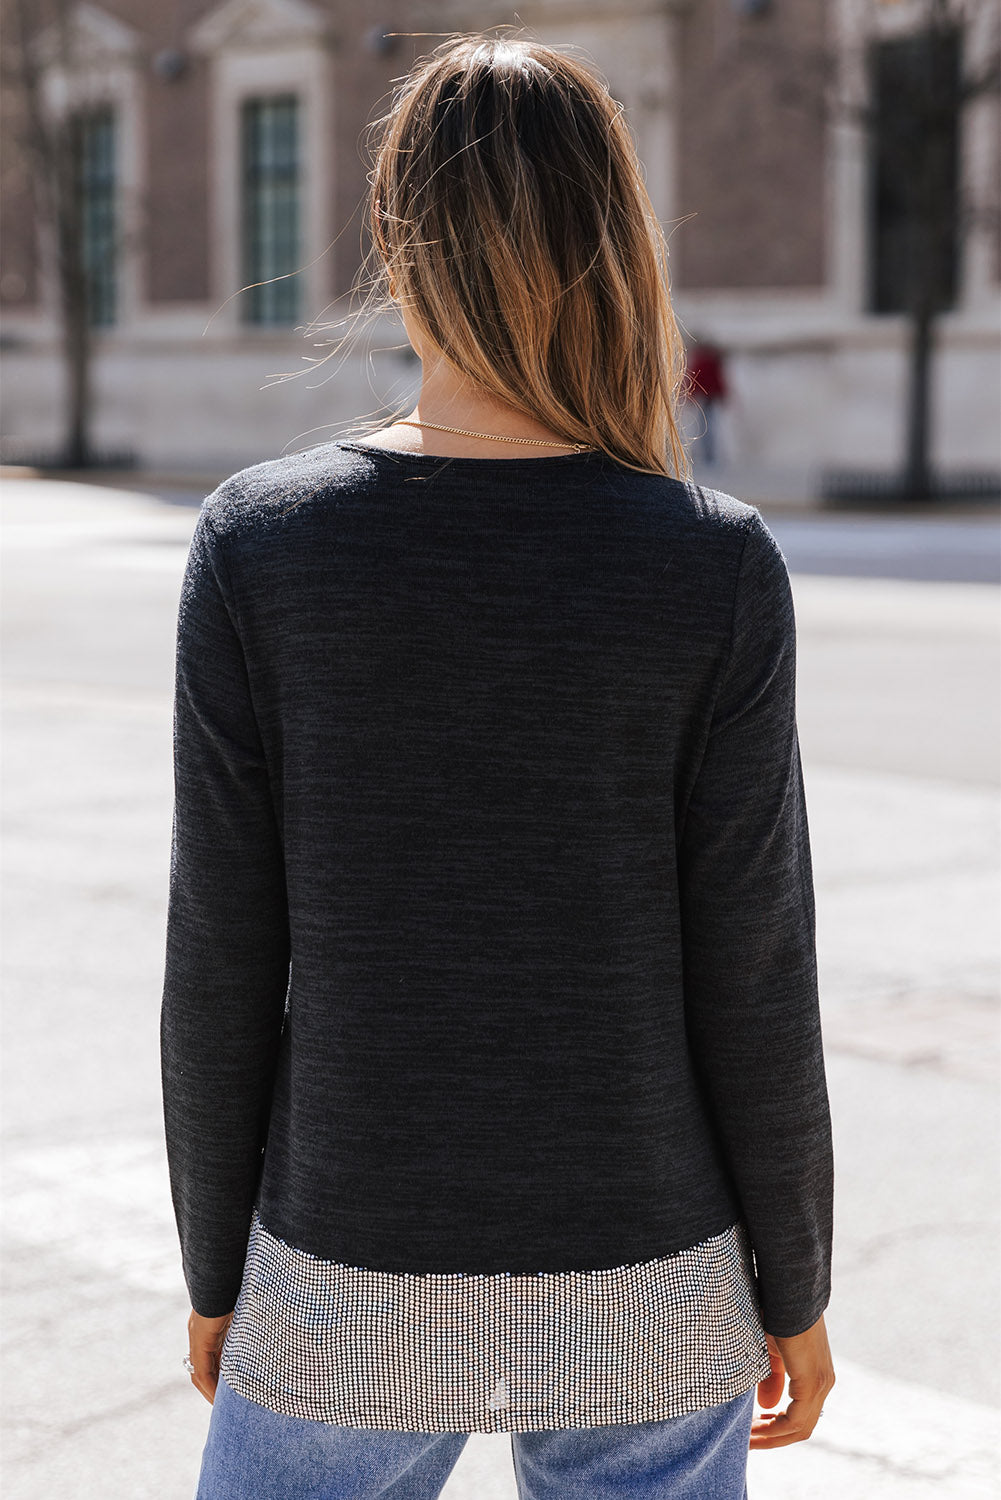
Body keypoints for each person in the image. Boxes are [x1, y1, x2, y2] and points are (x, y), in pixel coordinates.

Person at [161, 34, 835, 1500]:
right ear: (616, 240)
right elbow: (754, 969)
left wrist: (216, 1266)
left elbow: (221, 954)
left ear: (394, 238)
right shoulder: (708, 565)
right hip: (648, 1270)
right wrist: (793, 1281)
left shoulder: (262, 546)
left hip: (344, 1263)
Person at [686, 339, 729, 466]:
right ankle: (707, 455)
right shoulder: (711, 362)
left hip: (705, 398)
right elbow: (717, 381)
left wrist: (690, 394)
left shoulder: (703, 361)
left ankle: (706, 455)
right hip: (708, 398)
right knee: (707, 427)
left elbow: (695, 379)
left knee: (704, 427)